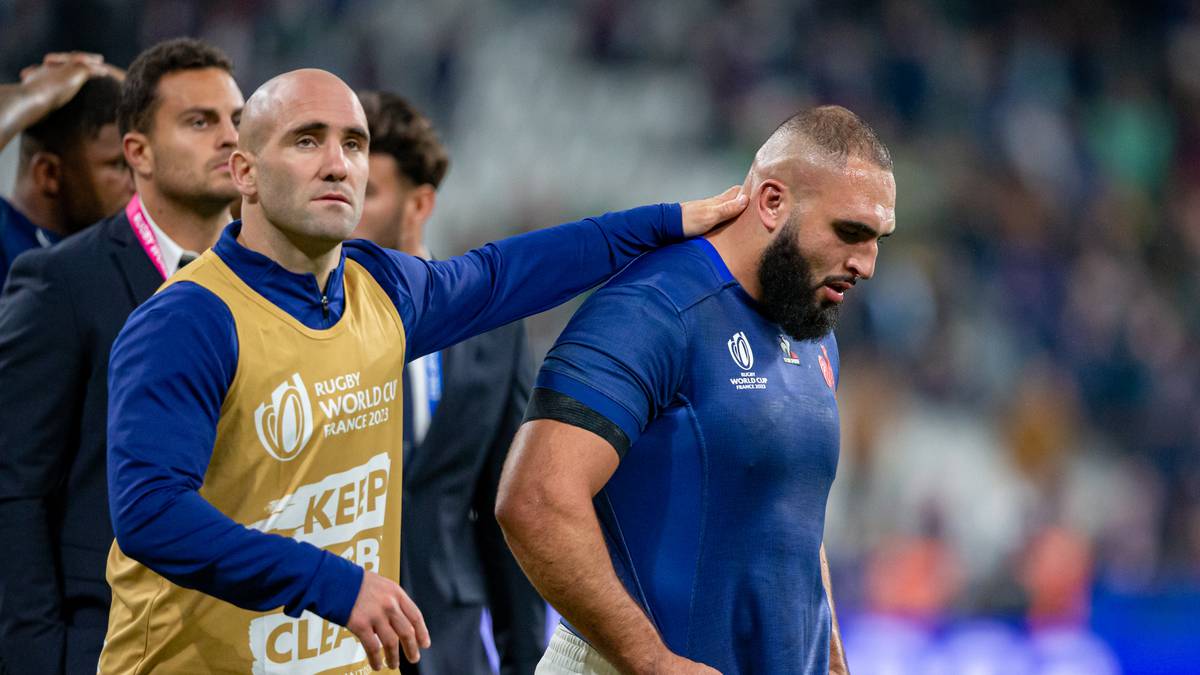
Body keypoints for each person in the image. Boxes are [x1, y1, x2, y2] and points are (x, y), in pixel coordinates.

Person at [99, 67, 745, 674]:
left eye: (354, 144)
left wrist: (666, 223)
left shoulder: (380, 289)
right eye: (306, 140)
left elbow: (509, 271)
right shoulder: (188, 320)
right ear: (244, 171)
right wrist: (333, 583)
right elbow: (151, 512)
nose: (336, 163)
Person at [495, 105, 897, 674]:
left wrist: (830, 660)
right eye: (849, 232)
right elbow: (533, 498)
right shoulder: (653, 308)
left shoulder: (811, 327)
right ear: (772, 202)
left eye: (878, 238)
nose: (867, 263)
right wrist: (651, 662)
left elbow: (790, 517)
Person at [0, 38, 242, 674]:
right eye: (200, 121)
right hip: (105, 642)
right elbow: (16, 492)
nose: (229, 139)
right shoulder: (61, 284)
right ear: (137, 152)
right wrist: (34, 660)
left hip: (248, 639)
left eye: (237, 121)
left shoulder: (276, 281)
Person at [355, 90, 546, 675]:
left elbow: (505, 509)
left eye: (368, 193)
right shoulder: (295, 324)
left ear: (419, 206)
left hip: (449, 645)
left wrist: (524, 659)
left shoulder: (492, 331)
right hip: (330, 640)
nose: (340, 204)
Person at [0, 51, 131, 282]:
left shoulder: (120, 248)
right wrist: (34, 95)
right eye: (119, 165)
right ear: (48, 173)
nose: (138, 181)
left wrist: (105, 76)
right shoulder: (6, 240)